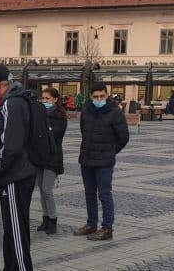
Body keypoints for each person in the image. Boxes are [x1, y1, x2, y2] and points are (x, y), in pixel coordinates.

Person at [0, 63, 38, 271]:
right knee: (12, 228)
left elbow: (11, 146)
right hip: (18, 174)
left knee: (17, 231)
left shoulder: (11, 104)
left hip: (16, 176)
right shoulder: (16, 101)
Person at [74, 82, 129, 241]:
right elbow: (83, 131)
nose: (99, 99)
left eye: (102, 96)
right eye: (96, 97)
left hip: (104, 162)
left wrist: (111, 151)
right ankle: (91, 224)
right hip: (87, 159)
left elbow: (124, 137)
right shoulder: (86, 111)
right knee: (89, 193)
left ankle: (107, 228)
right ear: (91, 97)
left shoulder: (115, 112)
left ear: (107, 95)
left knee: (104, 194)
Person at [35, 87, 67, 235]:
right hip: (40, 156)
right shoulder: (40, 114)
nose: (44, 101)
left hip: (53, 157)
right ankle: (45, 218)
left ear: (55, 99)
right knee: (41, 189)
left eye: (47, 98)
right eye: (43, 98)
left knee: (47, 189)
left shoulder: (59, 115)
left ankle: (53, 220)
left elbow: (53, 134)